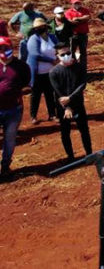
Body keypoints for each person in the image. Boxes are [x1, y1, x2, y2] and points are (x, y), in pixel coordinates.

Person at [49, 42, 93, 161]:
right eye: (63, 54)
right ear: (57, 56)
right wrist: (67, 107)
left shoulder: (79, 67)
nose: (67, 56)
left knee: (84, 130)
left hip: (78, 103)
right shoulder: (53, 72)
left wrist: (70, 98)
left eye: (68, 53)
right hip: (62, 107)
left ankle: (89, 154)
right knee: (65, 132)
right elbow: (58, 92)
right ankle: (70, 157)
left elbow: (82, 84)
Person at [0, 36, 30, 178]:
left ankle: (5, 166)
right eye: (0, 49)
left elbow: (27, 83)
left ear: (10, 48)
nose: (3, 51)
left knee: (10, 138)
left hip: (13, 109)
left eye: (5, 48)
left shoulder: (21, 67)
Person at [26, 18, 58, 124]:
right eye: (37, 28)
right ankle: (33, 116)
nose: (39, 29)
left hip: (50, 72)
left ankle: (52, 115)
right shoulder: (33, 39)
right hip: (37, 72)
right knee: (36, 94)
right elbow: (35, 55)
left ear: (45, 27)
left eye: (41, 27)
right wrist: (51, 60)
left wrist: (61, 55)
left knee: (50, 94)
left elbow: (59, 47)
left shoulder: (52, 37)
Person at [64, 0, 91, 72]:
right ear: (72, 4)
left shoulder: (85, 10)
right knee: (71, 51)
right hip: (73, 35)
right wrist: (82, 19)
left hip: (83, 34)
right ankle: (74, 67)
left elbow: (87, 17)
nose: (77, 4)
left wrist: (77, 19)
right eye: (75, 3)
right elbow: (70, 22)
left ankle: (83, 68)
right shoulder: (68, 12)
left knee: (83, 52)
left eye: (78, 3)